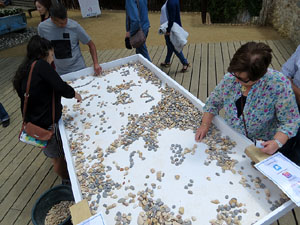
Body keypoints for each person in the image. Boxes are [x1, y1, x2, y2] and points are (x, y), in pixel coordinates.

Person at [195, 42, 300, 157]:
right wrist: (205, 125)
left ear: (260, 75)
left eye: (243, 79)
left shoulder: (278, 84)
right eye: (235, 74)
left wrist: (277, 142)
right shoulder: (231, 78)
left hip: (261, 146)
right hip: (232, 140)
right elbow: (213, 103)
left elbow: (291, 121)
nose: (236, 80)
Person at [13, 35, 82, 180]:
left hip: (34, 121)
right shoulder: (41, 66)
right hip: (47, 124)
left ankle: (60, 169)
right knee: (58, 157)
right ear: (44, 52)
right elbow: (59, 85)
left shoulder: (25, 69)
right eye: (51, 54)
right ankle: (67, 181)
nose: (53, 58)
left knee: (52, 153)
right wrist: (74, 94)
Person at [38, 3, 102, 76]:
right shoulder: (42, 28)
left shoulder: (74, 26)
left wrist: (96, 63)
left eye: (66, 21)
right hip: (60, 72)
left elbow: (91, 45)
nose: (64, 25)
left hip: (79, 69)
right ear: (52, 19)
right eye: (61, 23)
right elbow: (43, 49)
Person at [160, 0, 189, 72]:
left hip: (170, 28)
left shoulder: (171, 2)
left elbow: (171, 18)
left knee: (173, 46)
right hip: (169, 27)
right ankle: (167, 61)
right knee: (169, 45)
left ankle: (184, 62)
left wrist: (168, 30)